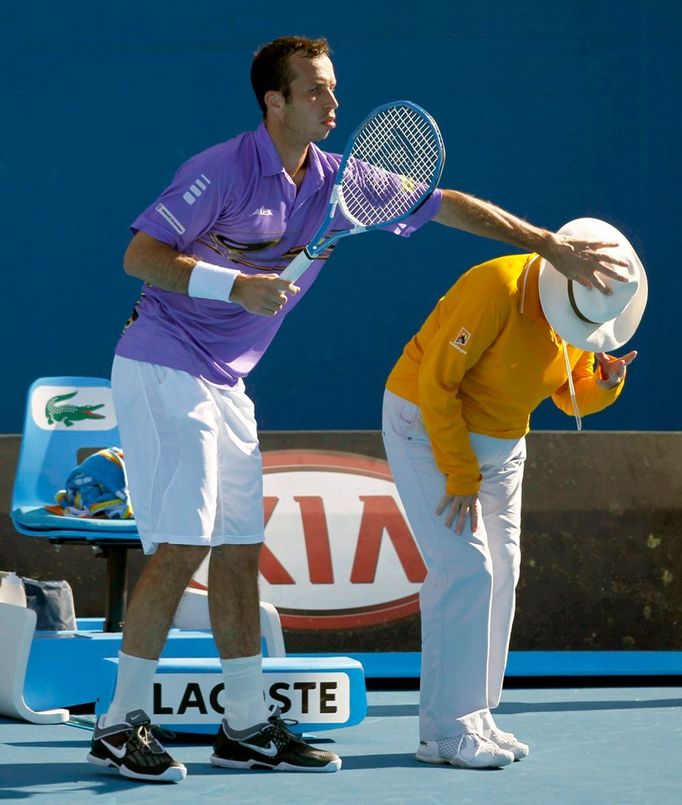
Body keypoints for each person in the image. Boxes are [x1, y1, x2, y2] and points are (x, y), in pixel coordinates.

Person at [87, 35, 632, 783]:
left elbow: (451, 207)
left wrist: (551, 247)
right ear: (274, 102)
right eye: (315, 90)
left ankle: (245, 722)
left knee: (240, 547)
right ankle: (119, 722)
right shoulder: (220, 170)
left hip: (227, 381)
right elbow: (141, 256)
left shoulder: (342, 180)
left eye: (334, 89)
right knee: (183, 543)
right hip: (162, 364)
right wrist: (234, 285)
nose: (333, 103)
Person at [382, 217, 646, 770]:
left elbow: (568, 400)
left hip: (503, 446)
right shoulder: (493, 288)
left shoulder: (578, 312)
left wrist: (607, 384)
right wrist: (459, 474)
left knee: (502, 567)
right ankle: (447, 731)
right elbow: (437, 384)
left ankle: (470, 716)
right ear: (564, 277)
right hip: (428, 431)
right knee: (465, 569)